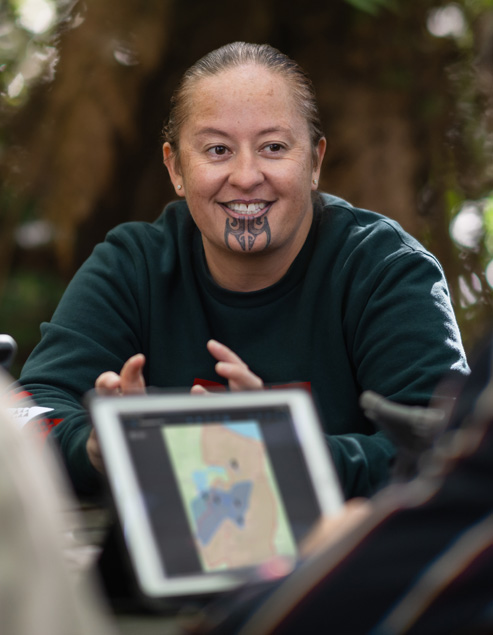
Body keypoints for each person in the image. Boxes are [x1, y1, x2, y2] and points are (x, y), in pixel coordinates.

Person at [16, 42, 468, 500]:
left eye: (273, 147)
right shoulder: (133, 266)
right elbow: (26, 412)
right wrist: (94, 447)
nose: (247, 176)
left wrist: (285, 450)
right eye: (218, 150)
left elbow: (450, 444)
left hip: (349, 543)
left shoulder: (385, 270)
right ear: (175, 168)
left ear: (314, 162)